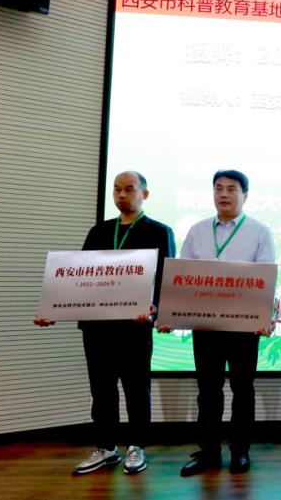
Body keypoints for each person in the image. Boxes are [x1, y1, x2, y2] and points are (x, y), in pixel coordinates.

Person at [35, 171, 175, 475]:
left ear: (144, 195)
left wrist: (156, 310)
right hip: (97, 326)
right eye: (116, 189)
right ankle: (106, 447)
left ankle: (136, 446)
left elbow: (167, 279)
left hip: (134, 326)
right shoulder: (99, 231)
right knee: (101, 389)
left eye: (129, 189)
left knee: (136, 388)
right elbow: (79, 275)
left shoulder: (159, 231)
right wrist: (53, 310)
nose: (121, 195)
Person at [175, 169, 276, 476]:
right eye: (218, 188)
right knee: (208, 390)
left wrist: (265, 316)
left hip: (244, 325)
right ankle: (208, 452)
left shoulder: (259, 231)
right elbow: (182, 277)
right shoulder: (197, 230)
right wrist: (172, 314)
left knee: (243, 389)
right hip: (205, 325)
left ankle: (240, 451)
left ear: (245, 195)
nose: (223, 194)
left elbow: (266, 278)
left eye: (232, 189)